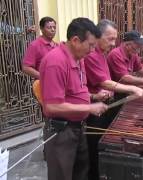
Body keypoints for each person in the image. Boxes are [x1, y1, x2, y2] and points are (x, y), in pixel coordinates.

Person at [39, 17, 107, 180]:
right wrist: (89, 108)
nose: (92, 50)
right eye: (90, 45)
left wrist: (92, 97)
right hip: (62, 132)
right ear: (76, 40)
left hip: (79, 128)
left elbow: (75, 92)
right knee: (62, 176)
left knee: (81, 174)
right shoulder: (55, 62)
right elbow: (52, 107)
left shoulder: (79, 58)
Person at [84, 19, 143, 180]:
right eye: (110, 39)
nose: (113, 43)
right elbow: (106, 82)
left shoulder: (101, 54)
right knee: (95, 148)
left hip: (104, 103)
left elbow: (106, 83)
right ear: (97, 35)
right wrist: (133, 88)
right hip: (94, 110)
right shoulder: (92, 55)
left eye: (115, 39)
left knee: (104, 145)